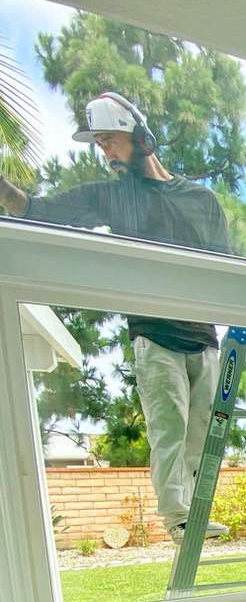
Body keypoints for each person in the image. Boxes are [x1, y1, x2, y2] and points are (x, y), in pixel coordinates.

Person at [0, 92, 231, 542]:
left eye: (110, 141)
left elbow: (229, 267)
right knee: (169, 431)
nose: (106, 153)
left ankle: (197, 511)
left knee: (203, 436)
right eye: (100, 144)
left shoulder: (201, 200)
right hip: (154, 335)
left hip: (203, 337)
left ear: (140, 138)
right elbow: (37, 209)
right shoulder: (111, 196)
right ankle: (178, 518)